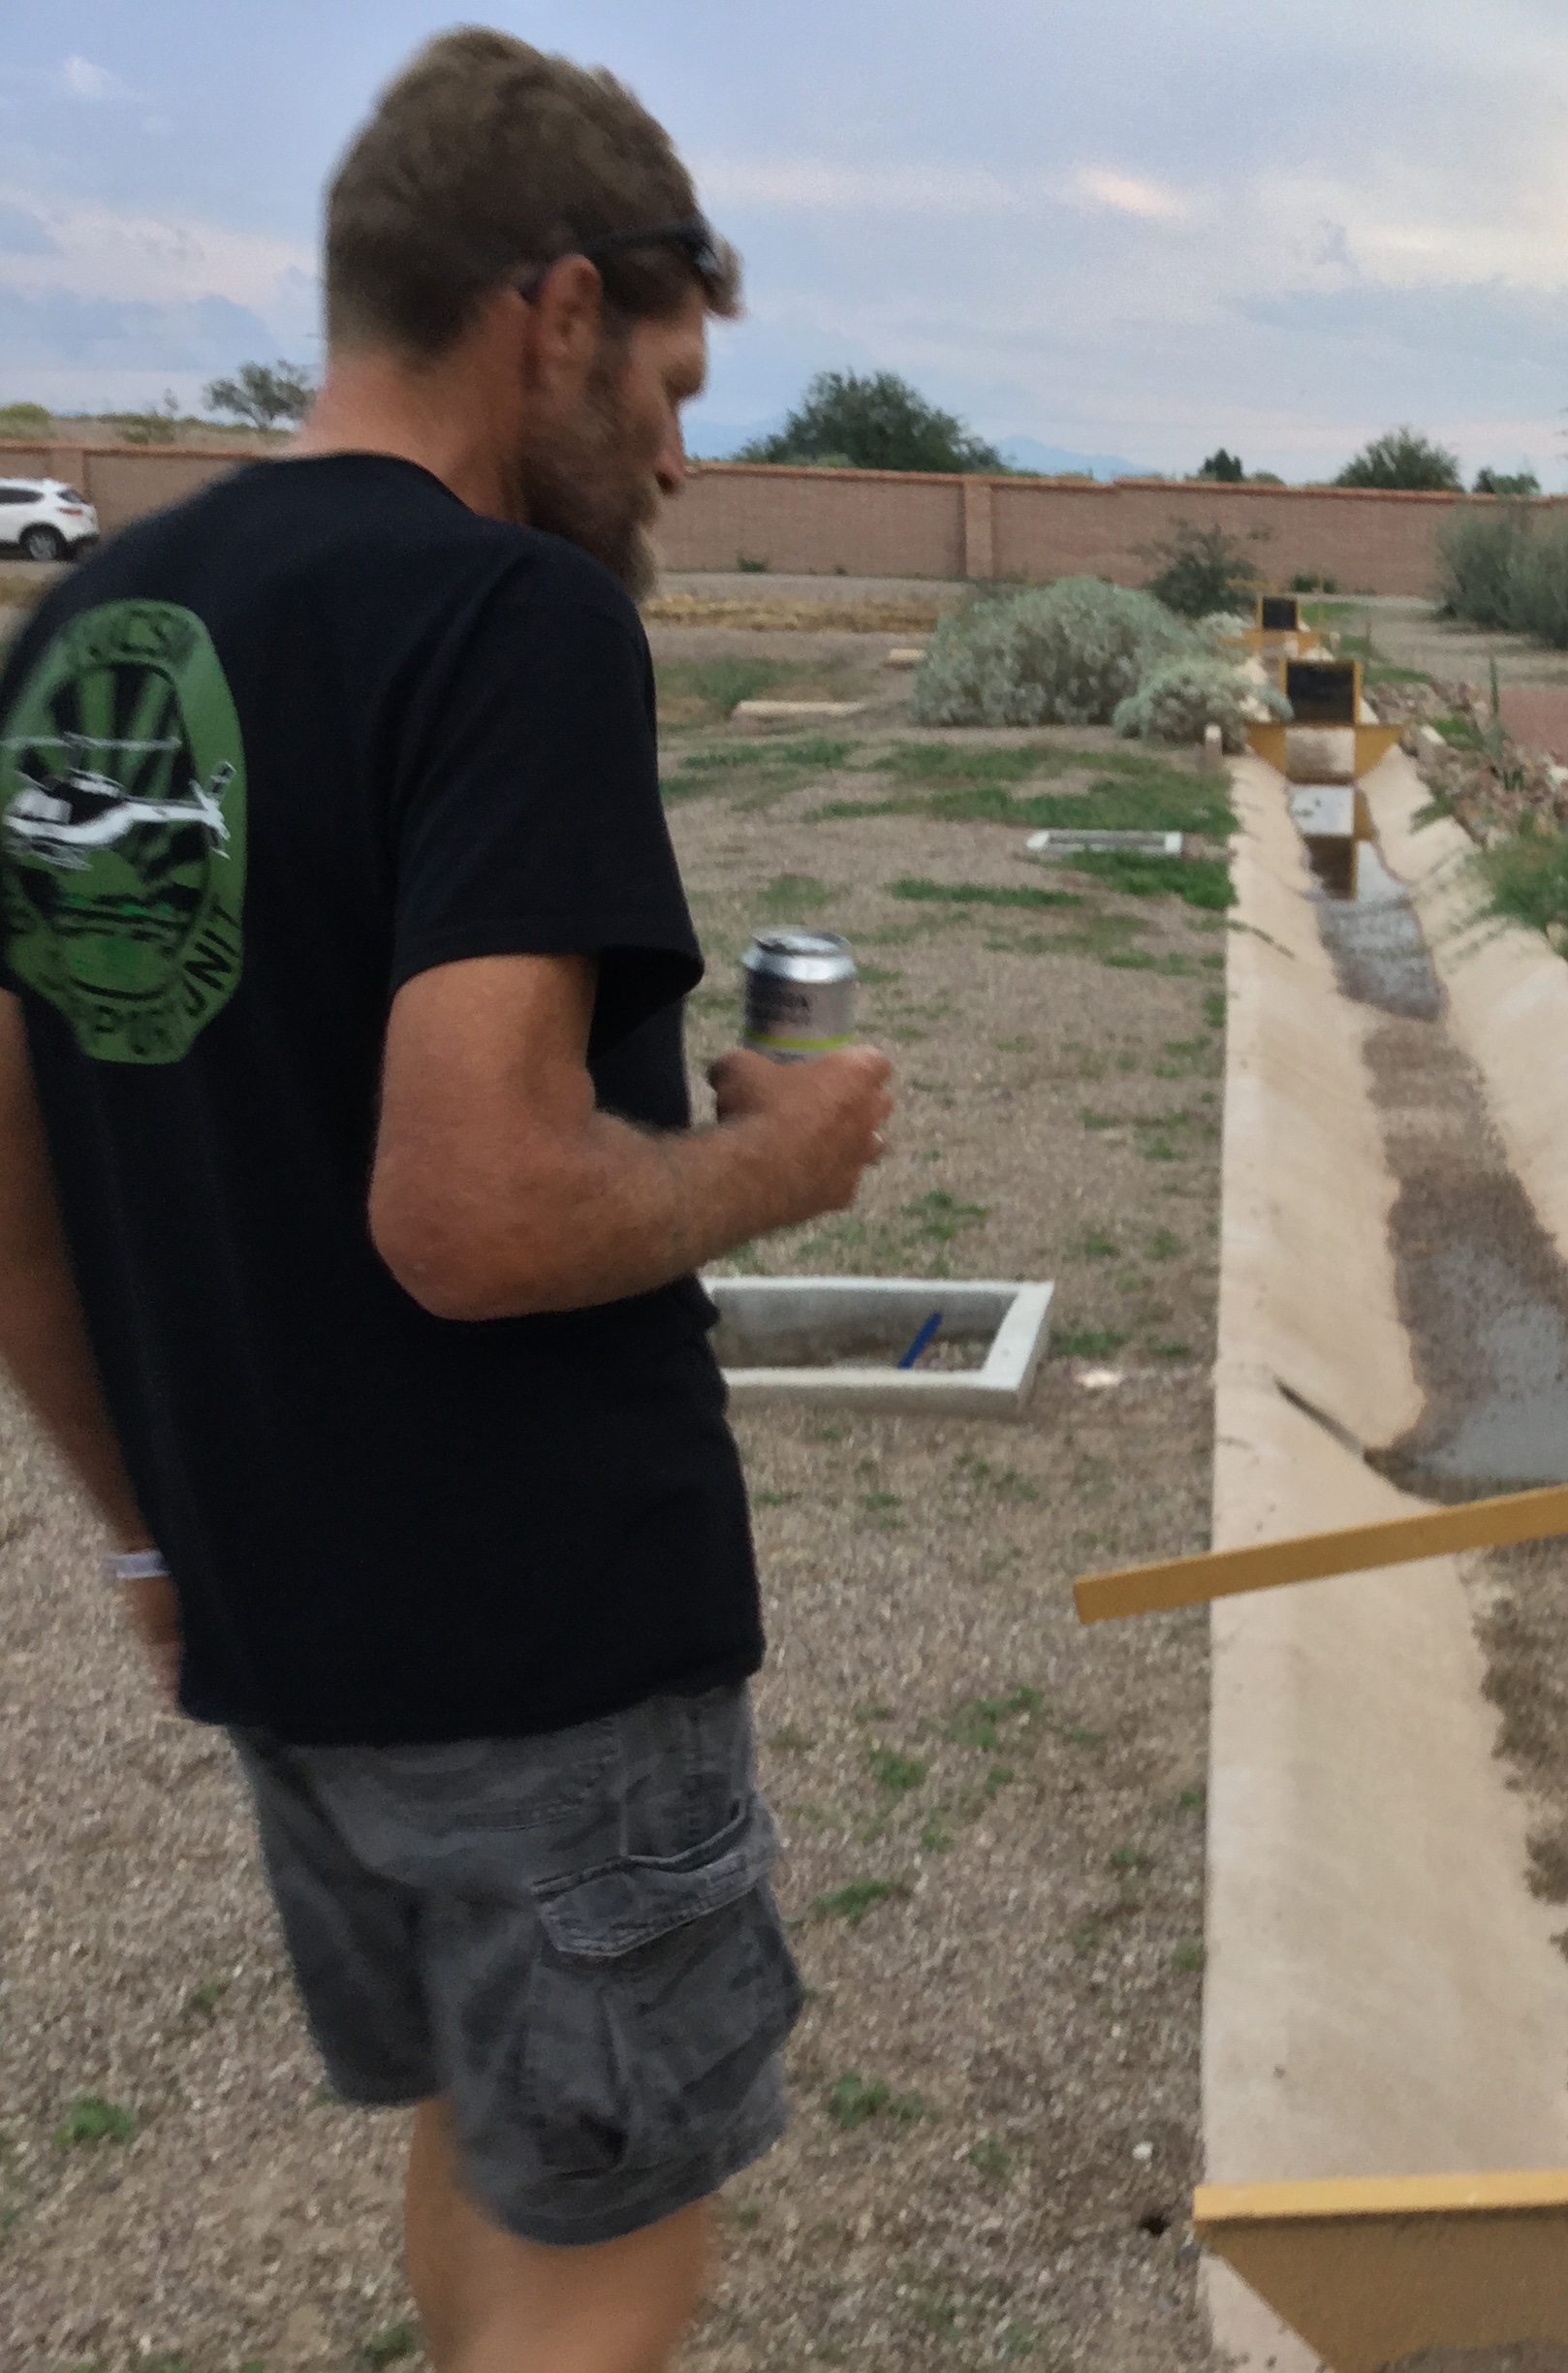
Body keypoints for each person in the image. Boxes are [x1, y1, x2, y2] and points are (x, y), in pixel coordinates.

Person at [0, 30, 893, 2372]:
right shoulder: (511, 621)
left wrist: (152, 1543)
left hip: (288, 1641)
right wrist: (778, 1161)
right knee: (602, 2266)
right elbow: (475, 1208)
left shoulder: (95, 635)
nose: (676, 461)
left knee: (488, 2155)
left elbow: (17, 1175)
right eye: (670, 389)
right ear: (559, 310)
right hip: (542, 1651)